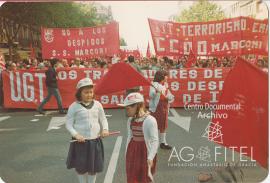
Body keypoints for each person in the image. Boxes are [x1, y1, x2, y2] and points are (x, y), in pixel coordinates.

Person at [66, 78, 109, 183]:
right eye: (86, 92)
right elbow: (68, 124)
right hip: (81, 142)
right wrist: (76, 135)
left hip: (94, 141)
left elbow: (103, 119)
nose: (89, 95)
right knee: (80, 168)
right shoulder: (73, 107)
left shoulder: (98, 105)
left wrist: (105, 129)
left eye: (91, 92)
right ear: (79, 93)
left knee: (93, 168)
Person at [118, 92, 159, 183]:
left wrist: (151, 157)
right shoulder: (130, 120)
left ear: (138, 106)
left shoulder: (150, 120)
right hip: (133, 151)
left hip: (145, 152)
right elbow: (130, 136)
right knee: (132, 177)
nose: (126, 111)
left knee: (144, 177)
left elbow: (155, 141)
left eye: (128, 108)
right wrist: (127, 153)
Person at [149, 70, 174, 150]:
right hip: (157, 107)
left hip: (164, 106)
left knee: (163, 125)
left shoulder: (165, 85)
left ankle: (163, 142)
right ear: (162, 76)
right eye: (166, 75)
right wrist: (156, 92)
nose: (167, 77)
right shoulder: (154, 84)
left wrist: (169, 97)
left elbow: (170, 95)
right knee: (155, 125)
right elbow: (151, 95)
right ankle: (152, 142)